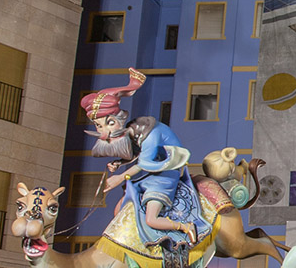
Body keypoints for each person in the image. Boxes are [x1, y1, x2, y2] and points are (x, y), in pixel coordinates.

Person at [81, 68, 209, 248]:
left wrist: (120, 177)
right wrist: (120, 163)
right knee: (121, 209)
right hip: (151, 173)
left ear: (117, 120)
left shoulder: (150, 133)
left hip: (165, 174)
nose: (103, 133)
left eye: (108, 124)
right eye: (98, 126)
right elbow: (137, 153)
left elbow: (145, 162)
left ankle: (186, 227)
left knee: (151, 219)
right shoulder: (134, 131)